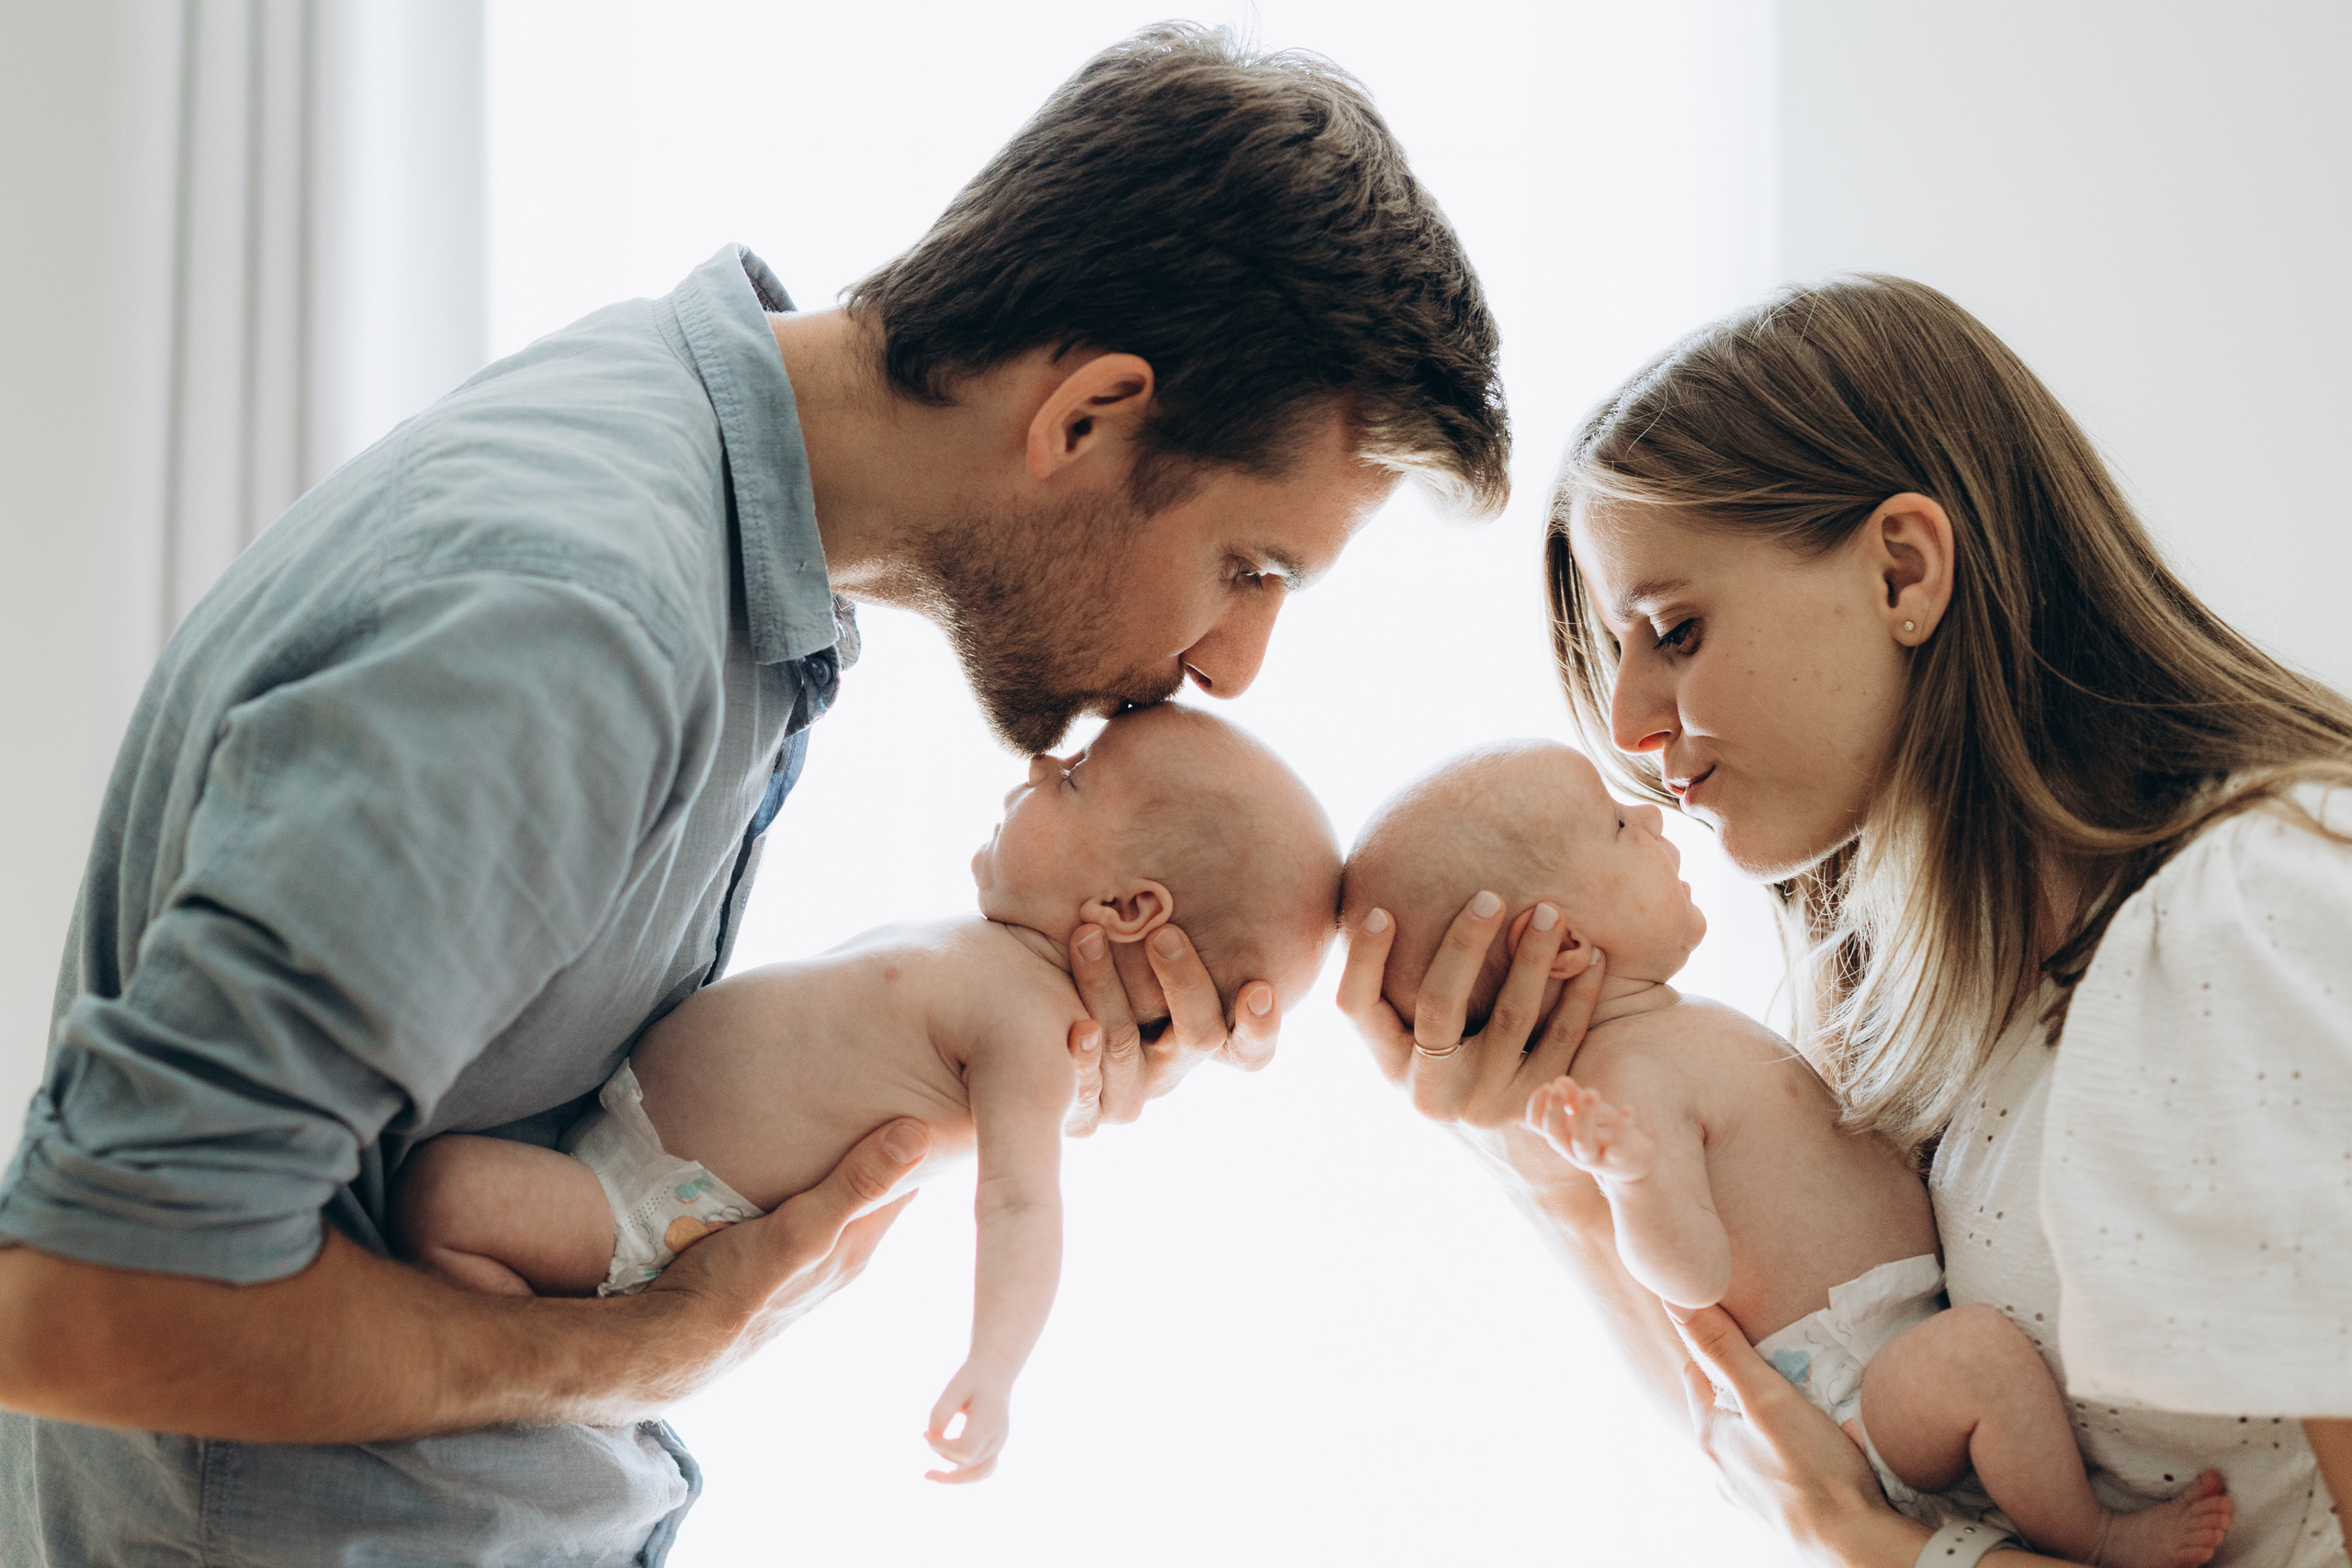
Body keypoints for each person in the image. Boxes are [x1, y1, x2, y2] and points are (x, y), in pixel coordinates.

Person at [0, 23, 1505, 1563]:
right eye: (1251, 568)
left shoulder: (690, 494)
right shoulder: (576, 618)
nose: (1239, 664)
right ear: (1089, 417)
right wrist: (642, 1351)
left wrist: (986, 1050)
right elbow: (92, 1300)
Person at [1339, 275, 2350, 1566]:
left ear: (1904, 569)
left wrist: (1893, 1555)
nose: (1636, 729)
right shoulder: (1932, 1017)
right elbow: (1794, 1450)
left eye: (1674, 627)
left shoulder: (2245, 918)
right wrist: (1541, 1164)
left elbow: (1851, 1522)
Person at [391, 704, 1341, 1485]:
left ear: (1129, 909)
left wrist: (995, 1366)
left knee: (444, 1195)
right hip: (633, 1160)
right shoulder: (1003, 961)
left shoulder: (1033, 1031)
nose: (1043, 762)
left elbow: (1020, 1202)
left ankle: (510, 1403)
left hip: (647, 1212)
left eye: (1078, 778)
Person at [1342, 739, 2234, 1566]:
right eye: (1617, 825)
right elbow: (1689, 1278)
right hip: (1856, 1389)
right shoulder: (1624, 1082)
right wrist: (1631, 1180)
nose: (1653, 816)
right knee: (1980, 1360)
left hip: (1887, 1349)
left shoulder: (1674, 1027)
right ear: (1565, 944)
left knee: (1979, 1361)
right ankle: (2097, 1535)